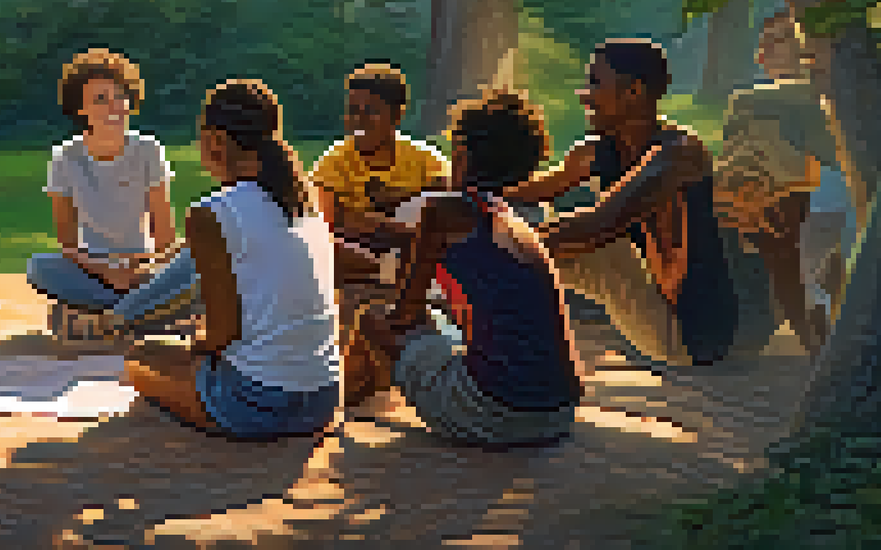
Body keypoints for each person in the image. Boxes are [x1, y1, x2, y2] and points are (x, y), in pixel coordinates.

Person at [357, 90, 583, 447]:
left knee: (373, 319)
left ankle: (357, 405)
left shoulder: (443, 212)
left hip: (496, 414)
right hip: (559, 412)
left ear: (461, 157)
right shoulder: (517, 223)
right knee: (440, 324)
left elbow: (403, 316)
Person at [503, 38, 747, 367]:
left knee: (598, 244)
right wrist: (449, 191)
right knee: (515, 219)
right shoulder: (595, 152)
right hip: (647, 316)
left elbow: (602, 224)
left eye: (595, 82)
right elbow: (530, 191)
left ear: (634, 92)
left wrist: (494, 246)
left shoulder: (678, 154)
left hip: (691, 336)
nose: (584, 94)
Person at [124, 79, 340, 441]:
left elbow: (224, 334)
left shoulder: (212, 213)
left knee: (141, 357)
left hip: (257, 403)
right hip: (322, 400)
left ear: (216, 141)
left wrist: (196, 344)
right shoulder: (306, 200)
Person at [26, 48, 198, 338]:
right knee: (40, 267)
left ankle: (107, 317)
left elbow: (165, 236)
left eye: (120, 96)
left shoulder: (148, 150)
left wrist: (144, 269)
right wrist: (106, 272)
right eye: (101, 99)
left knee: (200, 256)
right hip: (93, 271)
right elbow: (68, 245)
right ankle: (147, 314)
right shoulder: (65, 158)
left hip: (145, 268)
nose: (115, 106)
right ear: (80, 110)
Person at [309, 62, 450, 402]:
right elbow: (329, 222)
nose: (357, 121)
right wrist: (393, 228)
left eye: (369, 112)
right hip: (368, 251)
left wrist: (393, 207)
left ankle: (400, 276)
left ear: (396, 116)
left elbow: (447, 208)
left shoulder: (423, 160)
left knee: (430, 205)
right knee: (321, 247)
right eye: (352, 112)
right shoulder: (336, 161)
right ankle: (389, 273)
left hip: (411, 247)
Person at [714, 11, 845, 353]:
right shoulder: (763, 106)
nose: (763, 54)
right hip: (777, 214)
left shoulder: (758, 101)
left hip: (828, 206)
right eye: (762, 45)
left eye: (777, 41)